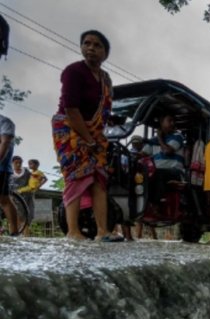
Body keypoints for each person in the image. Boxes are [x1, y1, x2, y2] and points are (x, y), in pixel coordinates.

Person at [52, 30, 123, 242]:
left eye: (97, 45)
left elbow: (102, 109)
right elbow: (72, 109)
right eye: (87, 43)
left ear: (105, 53)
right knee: (76, 176)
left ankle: (103, 231)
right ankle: (72, 231)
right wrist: (89, 140)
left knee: (99, 180)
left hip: (94, 134)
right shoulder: (73, 72)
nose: (91, 48)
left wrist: (109, 122)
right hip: (70, 130)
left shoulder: (106, 79)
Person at [0, 115, 19, 236]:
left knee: (4, 199)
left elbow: (5, 142)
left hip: (1, 168)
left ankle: (14, 232)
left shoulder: (5, 122)